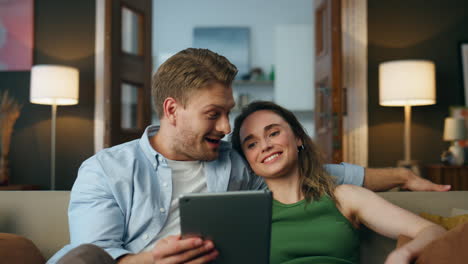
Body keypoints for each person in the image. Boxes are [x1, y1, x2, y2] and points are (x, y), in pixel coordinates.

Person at [48, 48, 448, 264]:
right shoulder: (106, 168)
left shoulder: (235, 162)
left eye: (228, 113)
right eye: (213, 115)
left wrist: (402, 177)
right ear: (172, 110)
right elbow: (99, 254)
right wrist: (152, 261)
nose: (226, 129)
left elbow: (323, 173)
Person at [230, 101, 446, 264]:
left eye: (273, 133)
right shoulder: (249, 212)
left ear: (298, 138)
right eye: (252, 144)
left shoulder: (344, 197)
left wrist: (403, 253)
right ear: (248, 162)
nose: (265, 146)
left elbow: (433, 231)